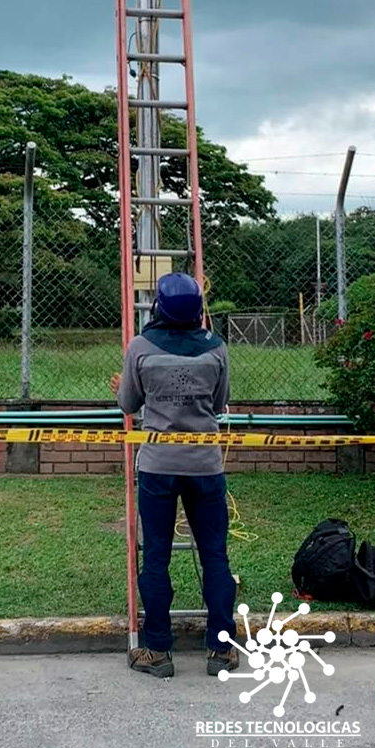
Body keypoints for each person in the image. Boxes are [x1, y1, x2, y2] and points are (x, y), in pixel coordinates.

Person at [111, 272, 239, 679]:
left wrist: (123, 387)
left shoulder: (140, 347)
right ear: (199, 308)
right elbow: (220, 403)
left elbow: (129, 402)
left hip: (158, 467)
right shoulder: (216, 348)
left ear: (158, 307)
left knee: (157, 557)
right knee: (215, 554)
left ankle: (157, 650)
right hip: (205, 466)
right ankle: (221, 650)